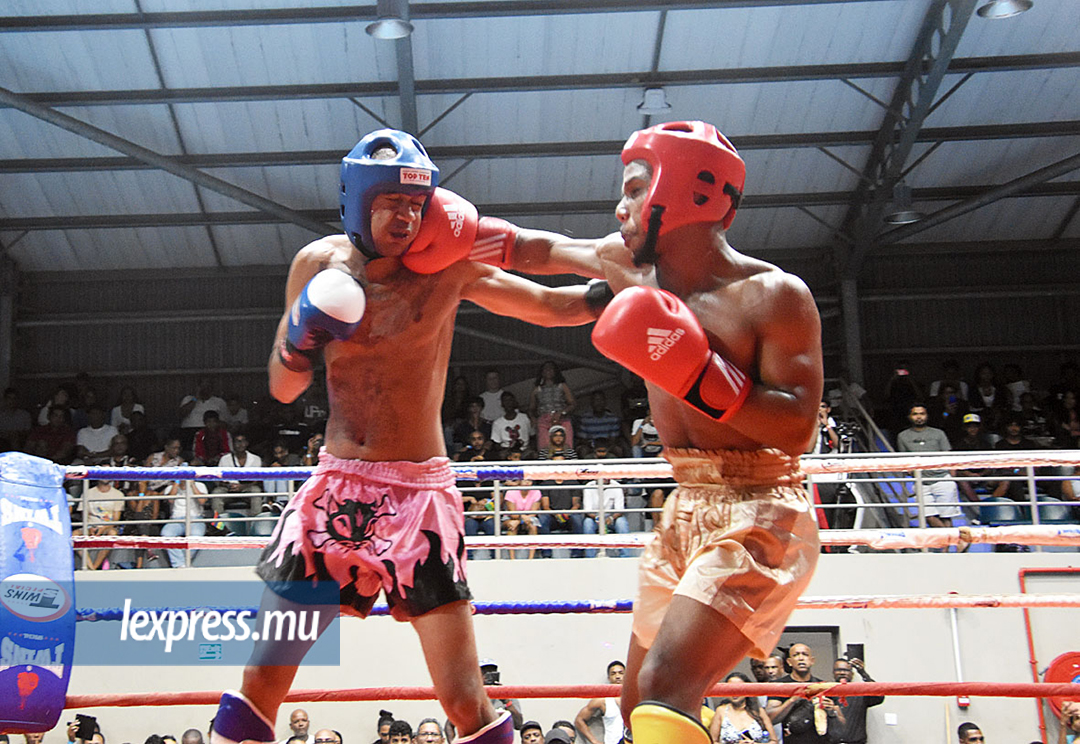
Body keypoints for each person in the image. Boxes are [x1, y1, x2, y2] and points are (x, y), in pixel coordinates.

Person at [209, 128, 607, 744]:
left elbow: (552, 306)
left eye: (418, 204)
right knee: (262, 677)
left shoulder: (447, 265)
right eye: (393, 202)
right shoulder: (316, 265)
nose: (407, 218)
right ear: (358, 200)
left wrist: (627, 288)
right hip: (336, 487)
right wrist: (299, 342)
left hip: (419, 496)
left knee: (464, 699)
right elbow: (283, 390)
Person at [581, 122, 823, 744]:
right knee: (637, 706)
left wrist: (700, 376)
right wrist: (448, 241)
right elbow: (530, 252)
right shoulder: (635, 279)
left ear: (683, 189)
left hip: (762, 506)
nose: (620, 207)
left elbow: (798, 427)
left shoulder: (773, 295)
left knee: (666, 685)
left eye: (635, 189)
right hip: (683, 504)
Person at [766, 645, 843, 744]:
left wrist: (832, 711)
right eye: (796, 655)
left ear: (812, 661)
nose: (801, 658)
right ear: (789, 662)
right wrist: (792, 700)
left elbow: (844, 725)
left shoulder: (824, 686)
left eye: (805, 654)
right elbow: (770, 718)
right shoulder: (779, 686)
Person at [708, 672, 776, 744]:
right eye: (730, 689)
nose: (734, 692)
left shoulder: (759, 711)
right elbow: (712, 741)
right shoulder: (721, 711)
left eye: (739, 689)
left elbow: (774, 741)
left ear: (747, 689)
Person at [829, 657, 882, 744]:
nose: (842, 673)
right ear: (833, 673)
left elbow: (879, 696)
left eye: (846, 670)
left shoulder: (860, 693)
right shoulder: (826, 693)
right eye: (838, 670)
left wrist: (863, 673)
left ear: (852, 674)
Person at [574, 661, 626, 744]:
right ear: (609, 678)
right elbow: (579, 720)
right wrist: (594, 741)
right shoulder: (603, 701)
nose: (617, 676)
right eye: (613, 674)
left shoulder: (635, 698)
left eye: (621, 673)